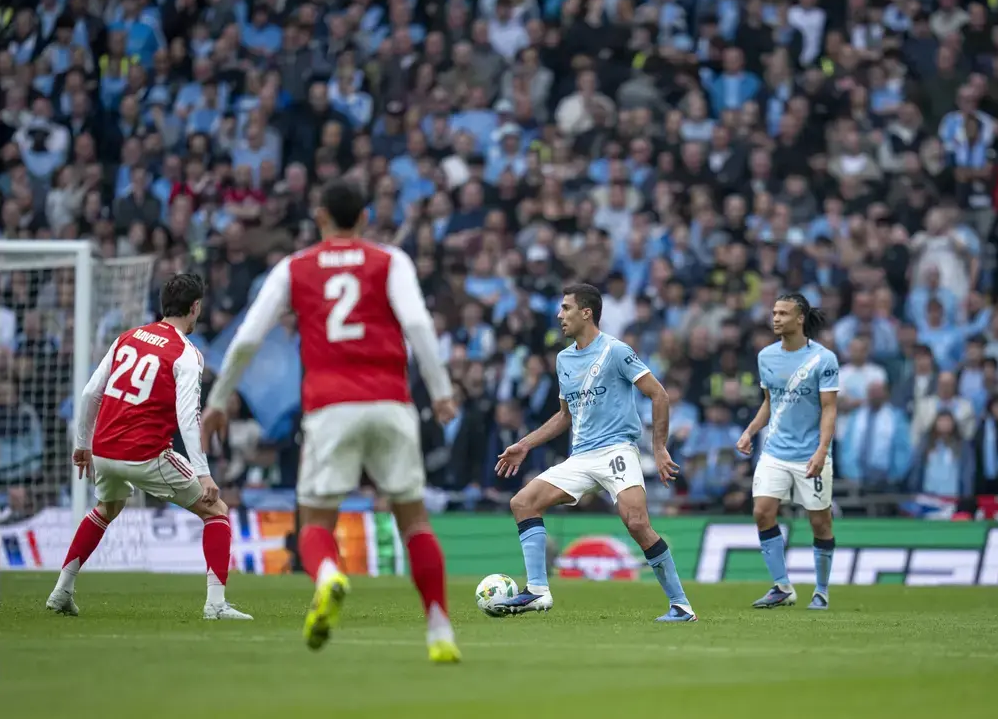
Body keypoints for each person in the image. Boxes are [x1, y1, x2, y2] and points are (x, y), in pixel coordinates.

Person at [200, 179, 461, 662]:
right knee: (414, 521)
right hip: (390, 403)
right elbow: (418, 324)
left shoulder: (294, 267)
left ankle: (327, 576)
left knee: (315, 521)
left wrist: (217, 400)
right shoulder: (390, 260)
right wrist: (442, 391)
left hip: (329, 407)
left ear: (320, 218)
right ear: (364, 218)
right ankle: (440, 630)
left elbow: (247, 338)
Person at [45, 274, 251, 622]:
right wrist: (203, 473)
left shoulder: (127, 337)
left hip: (104, 451)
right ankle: (216, 605)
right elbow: (189, 417)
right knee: (216, 510)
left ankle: (61, 590)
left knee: (106, 508)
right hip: (146, 454)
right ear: (195, 307)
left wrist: (82, 444)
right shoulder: (187, 354)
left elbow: (90, 392)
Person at [491, 283, 696, 622]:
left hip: (617, 449)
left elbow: (658, 394)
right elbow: (564, 416)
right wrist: (525, 444)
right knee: (522, 502)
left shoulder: (616, 351)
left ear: (586, 313)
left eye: (566, 308)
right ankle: (538, 591)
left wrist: (659, 448)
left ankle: (681, 606)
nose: (560, 315)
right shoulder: (564, 359)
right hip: (581, 457)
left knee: (636, 522)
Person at [735, 293, 839, 610]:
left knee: (820, 522)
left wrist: (822, 451)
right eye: (774, 313)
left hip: (810, 454)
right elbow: (770, 403)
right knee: (762, 512)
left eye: (783, 313)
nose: (776, 318)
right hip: (775, 452)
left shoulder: (823, 359)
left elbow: (829, 409)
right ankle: (782, 587)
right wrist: (750, 431)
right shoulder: (766, 356)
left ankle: (821, 591)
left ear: (800, 318)